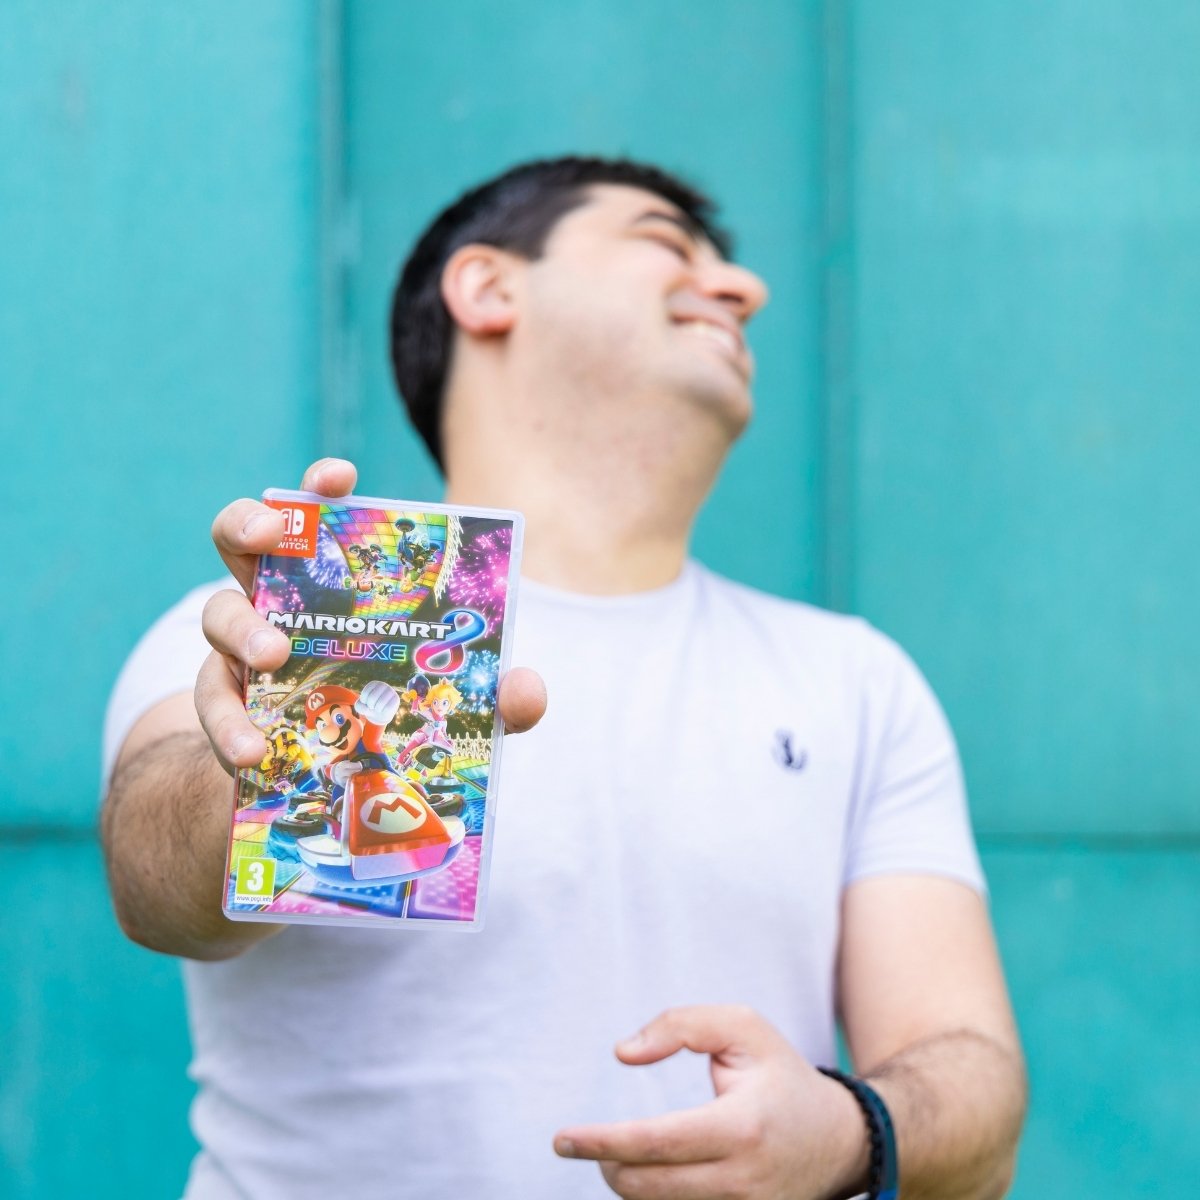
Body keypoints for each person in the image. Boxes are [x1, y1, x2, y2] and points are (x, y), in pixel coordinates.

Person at [102, 156, 1026, 1199]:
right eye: (666, 244)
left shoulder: (851, 677)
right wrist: (276, 769)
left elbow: (973, 1081)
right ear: (489, 288)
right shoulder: (305, 625)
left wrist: (853, 1128)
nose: (743, 288)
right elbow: (155, 890)